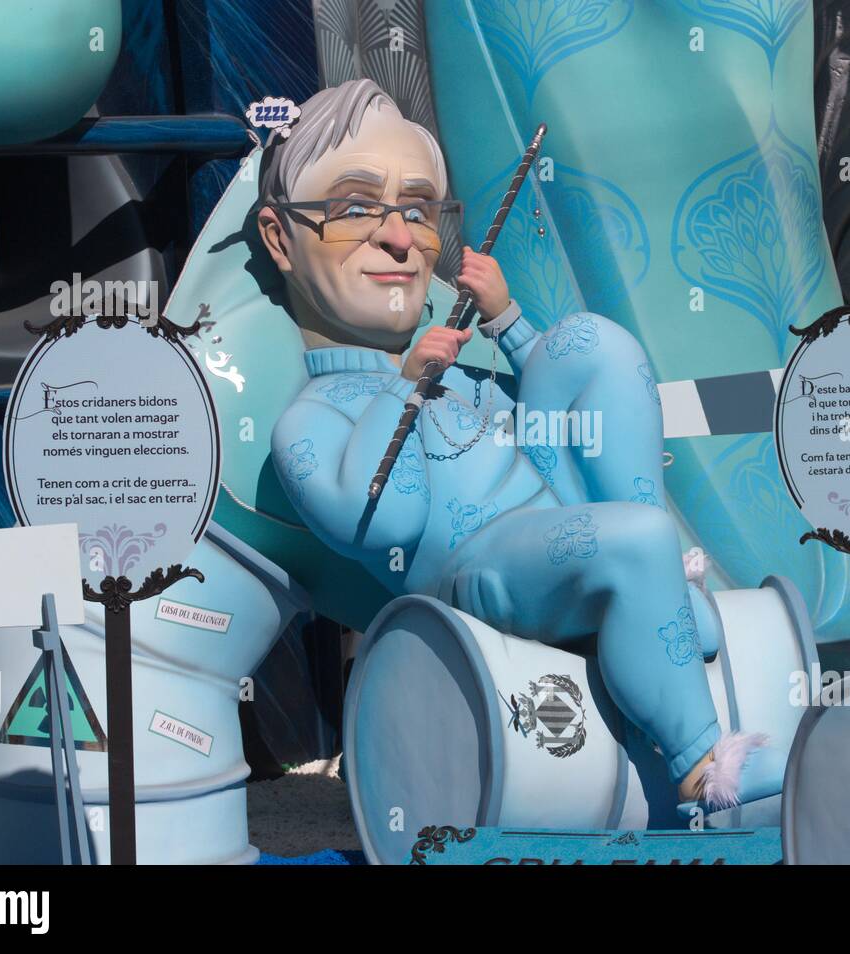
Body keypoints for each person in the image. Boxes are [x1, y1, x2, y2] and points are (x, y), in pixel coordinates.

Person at [259, 80, 783, 812]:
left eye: (418, 210)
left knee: (589, 343)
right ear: (281, 236)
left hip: (558, 524)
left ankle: (662, 580)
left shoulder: (461, 372)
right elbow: (386, 520)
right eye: (355, 209)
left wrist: (508, 322)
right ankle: (704, 766)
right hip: (478, 575)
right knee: (628, 540)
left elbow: (559, 418)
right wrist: (402, 387)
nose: (402, 239)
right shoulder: (309, 425)